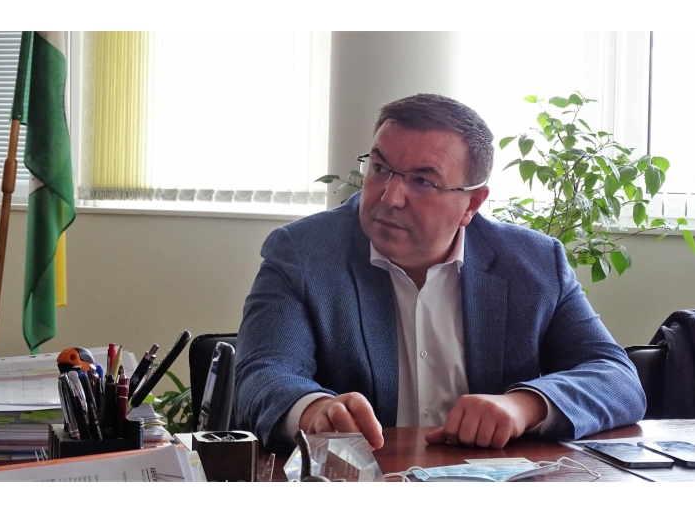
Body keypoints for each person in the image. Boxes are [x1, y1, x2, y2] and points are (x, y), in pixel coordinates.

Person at [234, 93, 646, 453]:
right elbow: (263, 374)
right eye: (380, 168)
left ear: (472, 203)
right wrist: (314, 410)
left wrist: (524, 406)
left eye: (421, 181)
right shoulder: (303, 254)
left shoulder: (534, 263)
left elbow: (616, 378)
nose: (390, 197)